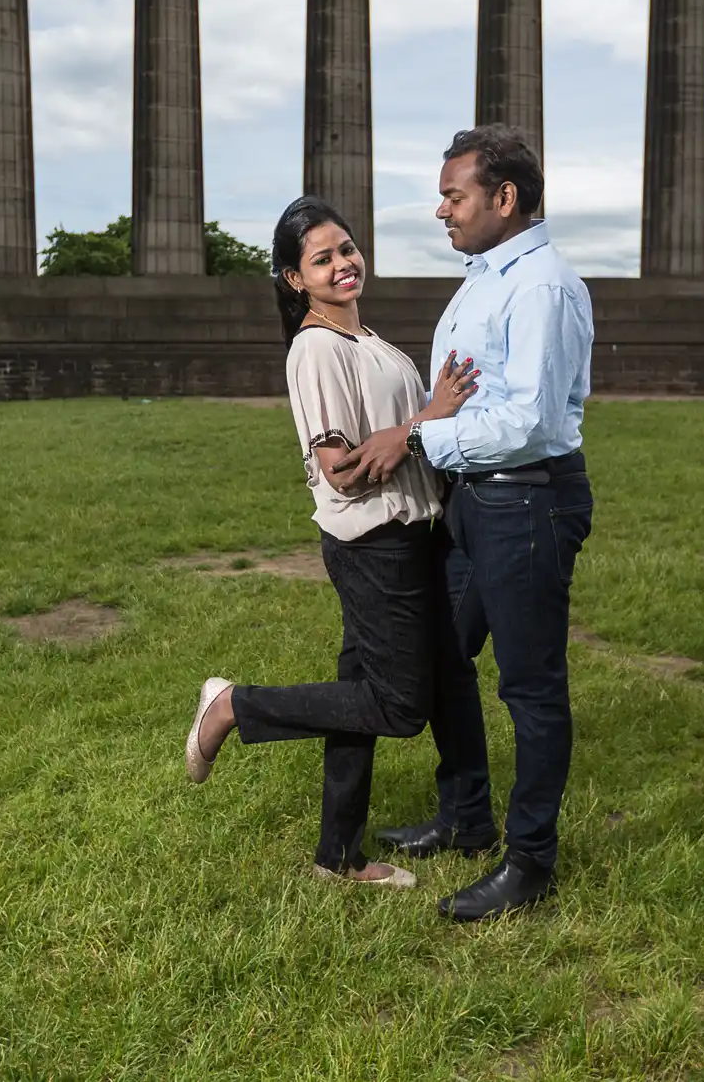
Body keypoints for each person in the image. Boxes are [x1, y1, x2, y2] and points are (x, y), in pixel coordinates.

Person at [334, 125, 595, 922]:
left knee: (530, 685)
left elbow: (530, 419)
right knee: (443, 656)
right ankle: (466, 814)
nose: (441, 209)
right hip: (473, 500)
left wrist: (413, 434)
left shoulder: (542, 285)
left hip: (526, 499)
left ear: (504, 198)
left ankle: (531, 862)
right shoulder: (486, 276)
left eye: (455, 195)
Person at [182, 196, 479, 889]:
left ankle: (337, 857)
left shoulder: (368, 341)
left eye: (346, 248)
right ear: (295, 279)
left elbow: (410, 441)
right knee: (399, 705)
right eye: (322, 258)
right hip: (375, 544)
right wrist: (426, 417)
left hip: (409, 536)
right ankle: (232, 705)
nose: (343, 264)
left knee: (358, 692)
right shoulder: (315, 347)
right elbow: (342, 471)